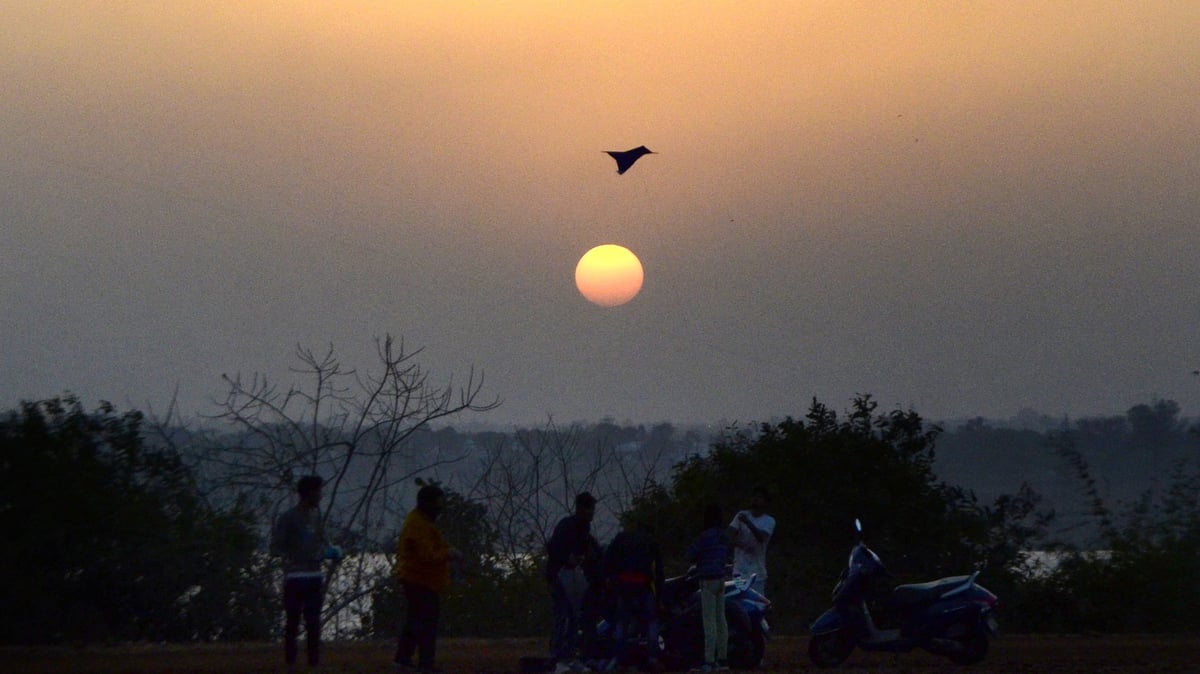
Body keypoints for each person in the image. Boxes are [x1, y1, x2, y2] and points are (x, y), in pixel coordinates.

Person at [270, 475, 342, 671]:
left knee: (313, 622)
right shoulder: (289, 518)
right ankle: (290, 662)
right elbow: (276, 547)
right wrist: (295, 557)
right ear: (308, 493)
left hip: (314, 577)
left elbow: (322, 543)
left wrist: (332, 552)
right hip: (294, 578)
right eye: (318, 491)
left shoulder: (316, 517)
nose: (320, 496)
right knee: (292, 622)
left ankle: (313, 662)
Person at [395, 484, 461, 673]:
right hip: (418, 580)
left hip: (422, 580)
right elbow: (428, 555)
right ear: (429, 503)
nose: (441, 507)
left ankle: (403, 659)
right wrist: (449, 553)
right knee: (426, 624)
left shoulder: (421, 521)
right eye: (439, 503)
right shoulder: (418, 525)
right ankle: (425, 663)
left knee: (415, 622)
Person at [603, 517, 665, 672]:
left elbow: (607, 559)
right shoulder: (651, 542)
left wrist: (612, 579)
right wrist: (660, 596)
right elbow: (659, 571)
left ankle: (621, 661)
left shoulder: (621, 538)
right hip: (643, 585)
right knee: (651, 621)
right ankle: (653, 657)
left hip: (624, 586)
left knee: (622, 624)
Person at [545, 492, 598, 670]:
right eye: (590, 509)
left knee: (573, 617)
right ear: (581, 509)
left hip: (572, 578)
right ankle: (557, 655)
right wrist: (568, 558)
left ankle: (567, 654)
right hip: (560, 576)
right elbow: (553, 548)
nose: (592, 514)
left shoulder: (583, 529)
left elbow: (591, 551)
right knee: (563, 615)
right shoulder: (568, 525)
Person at [686, 504, 731, 672]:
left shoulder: (705, 537)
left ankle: (709, 660)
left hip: (707, 580)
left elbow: (690, 555)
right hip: (721, 579)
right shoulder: (723, 537)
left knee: (709, 621)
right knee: (721, 620)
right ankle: (723, 658)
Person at [727, 487, 775, 597]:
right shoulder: (741, 515)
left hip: (757, 575)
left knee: (756, 604)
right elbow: (728, 535)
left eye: (759, 497)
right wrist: (739, 543)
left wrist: (748, 523)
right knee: (739, 601)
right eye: (754, 497)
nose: (755, 499)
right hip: (739, 573)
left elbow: (761, 538)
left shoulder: (769, 521)